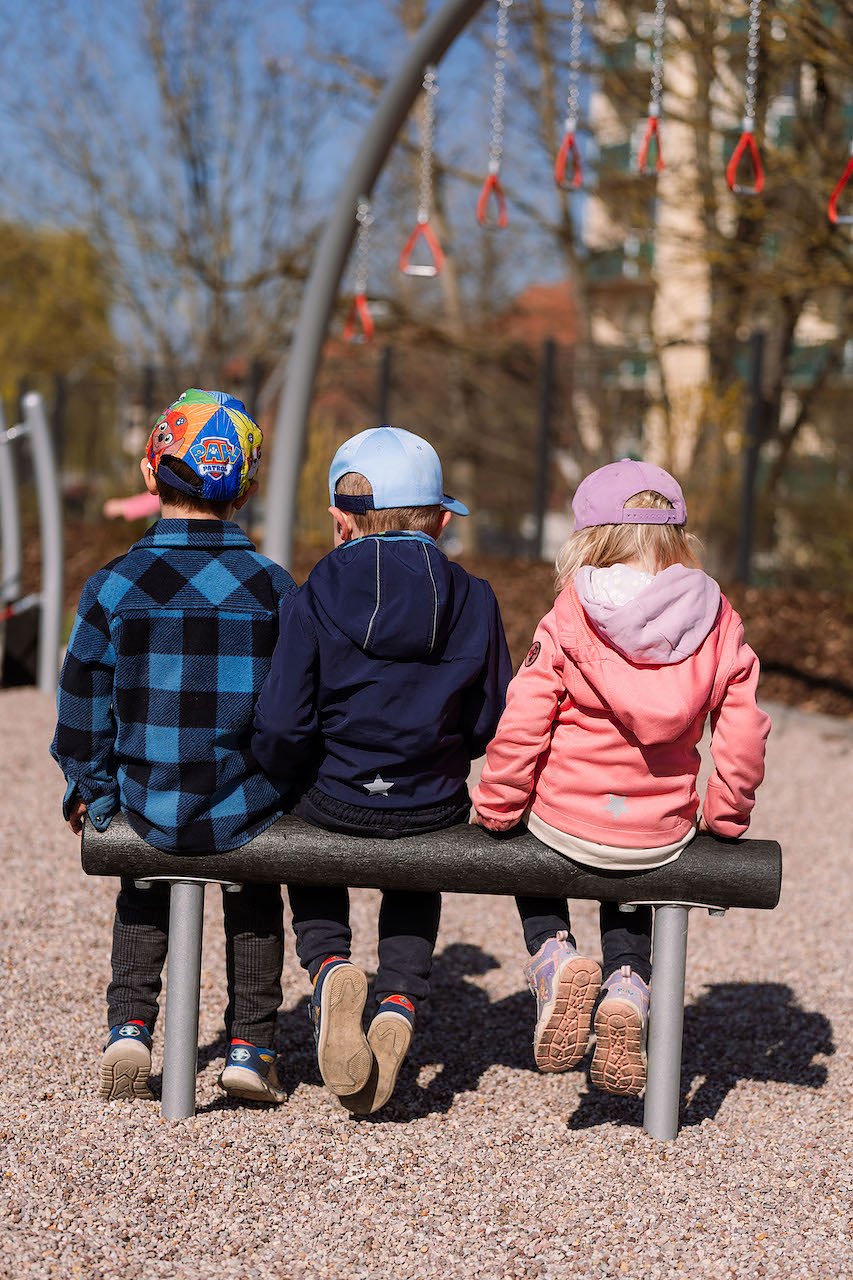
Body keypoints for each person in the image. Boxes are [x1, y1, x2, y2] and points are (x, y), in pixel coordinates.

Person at [471, 458, 770, 1097]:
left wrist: (498, 805)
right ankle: (629, 985)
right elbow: (742, 735)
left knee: (526, 843)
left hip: (564, 819)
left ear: (590, 537)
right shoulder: (718, 618)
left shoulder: (572, 612)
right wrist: (725, 816)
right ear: (679, 537)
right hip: (658, 829)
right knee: (631, 875)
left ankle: (554, 955)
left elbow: (524, 721)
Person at [252, 426, 512, 1114]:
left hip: (332, 795)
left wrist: (284, 773)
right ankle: (398, 998)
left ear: (339, 521)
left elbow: (282, 721)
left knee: (304, 837)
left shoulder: (312, 592)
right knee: (415, 871)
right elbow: (492, 718)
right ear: (442, 521)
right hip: (429, 798)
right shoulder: (474, 597)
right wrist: (444, 755)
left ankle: (330, 964)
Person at [51, 389, 295, 1106]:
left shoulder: (113, 585)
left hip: (147, 795)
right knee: (255, 900)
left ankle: (129, 1026)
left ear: (150, 474)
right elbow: (292, 705)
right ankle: (251, 1046)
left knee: (141, 886)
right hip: (244, 801)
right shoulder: (274, 588)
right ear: (245, 492)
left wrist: (92, 788)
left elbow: (82, 704)